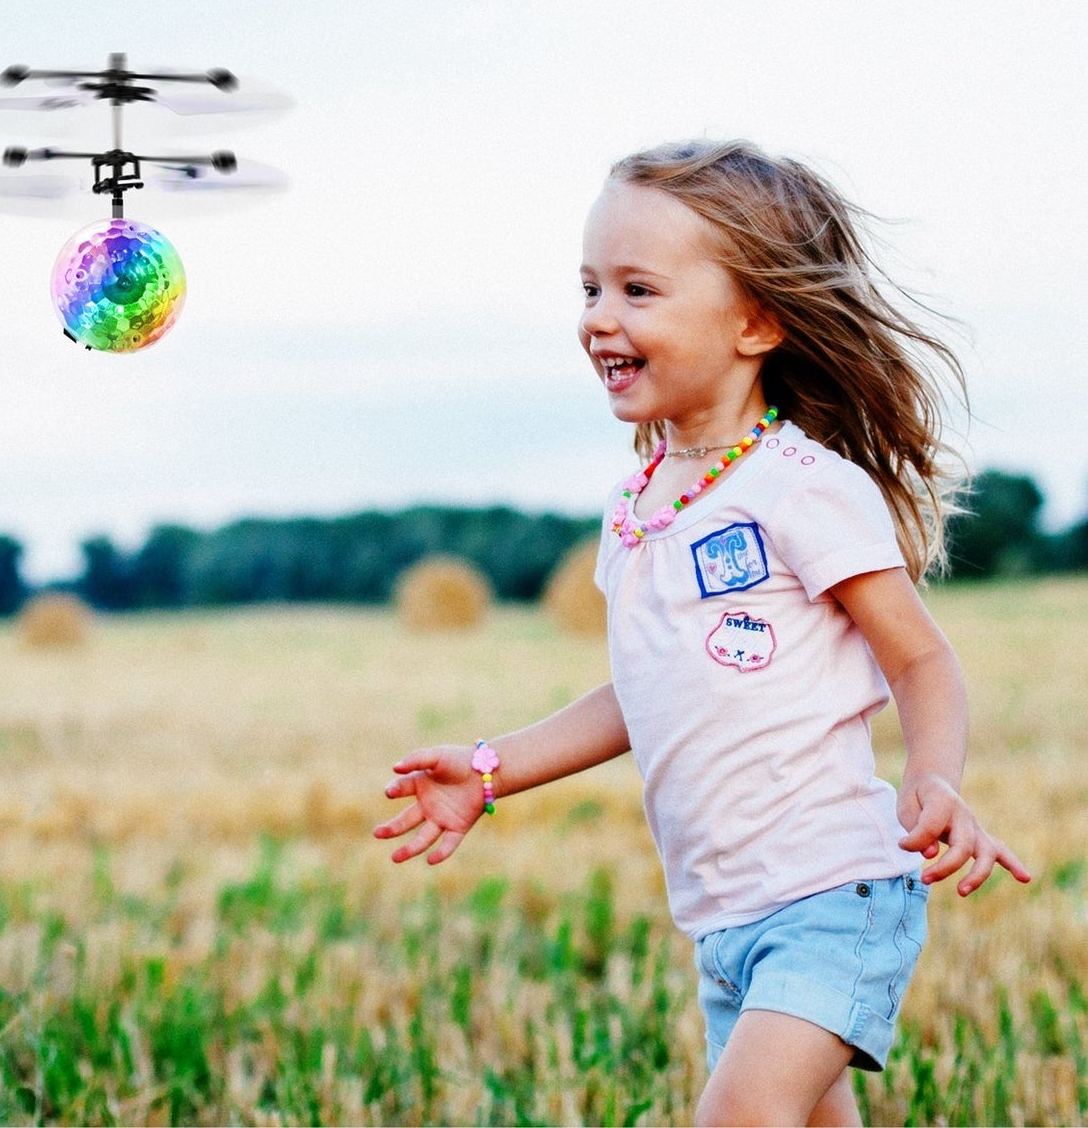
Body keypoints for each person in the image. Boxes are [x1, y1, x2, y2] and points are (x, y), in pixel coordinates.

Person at [374, 140, 1031, 1127]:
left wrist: (932, 776)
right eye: (590, 285)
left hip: (830, 893)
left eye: (638, 289)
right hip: (723, 917)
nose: (599, 315)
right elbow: (642, 688)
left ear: (755, 320)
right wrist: (491, 765)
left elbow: (917, 655)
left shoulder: (803, 488)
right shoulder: (638, 504)